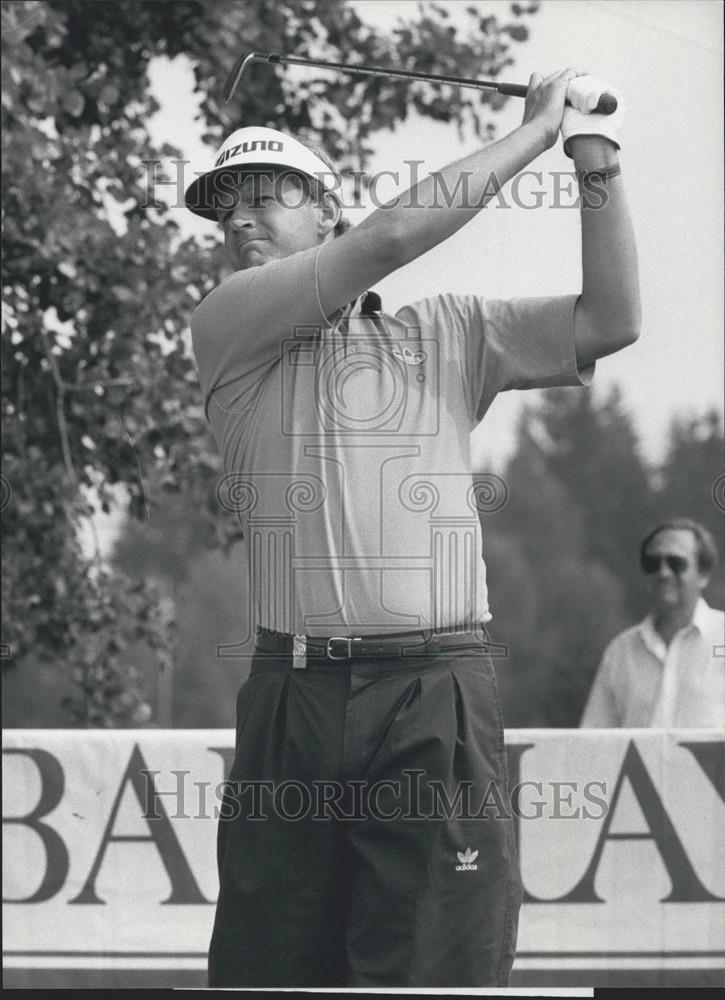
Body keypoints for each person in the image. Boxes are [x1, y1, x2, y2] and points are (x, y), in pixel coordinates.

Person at [184, 70, 640, 987]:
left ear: (326, 213)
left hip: (435, 691)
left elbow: (611, 319)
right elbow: (392, 236)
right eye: (225, 207)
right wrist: (537, 131)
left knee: (435, 975)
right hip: (294, 696)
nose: (238, 220)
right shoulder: (227, 321)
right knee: (273, 977)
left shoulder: (448, 331)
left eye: (266, 198)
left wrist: (592, 157)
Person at [581, 518, 724, 729]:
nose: (663, 573)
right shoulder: (621, 652)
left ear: (703, 575)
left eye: (676, 563)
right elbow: (594, 738)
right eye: (653, 564)